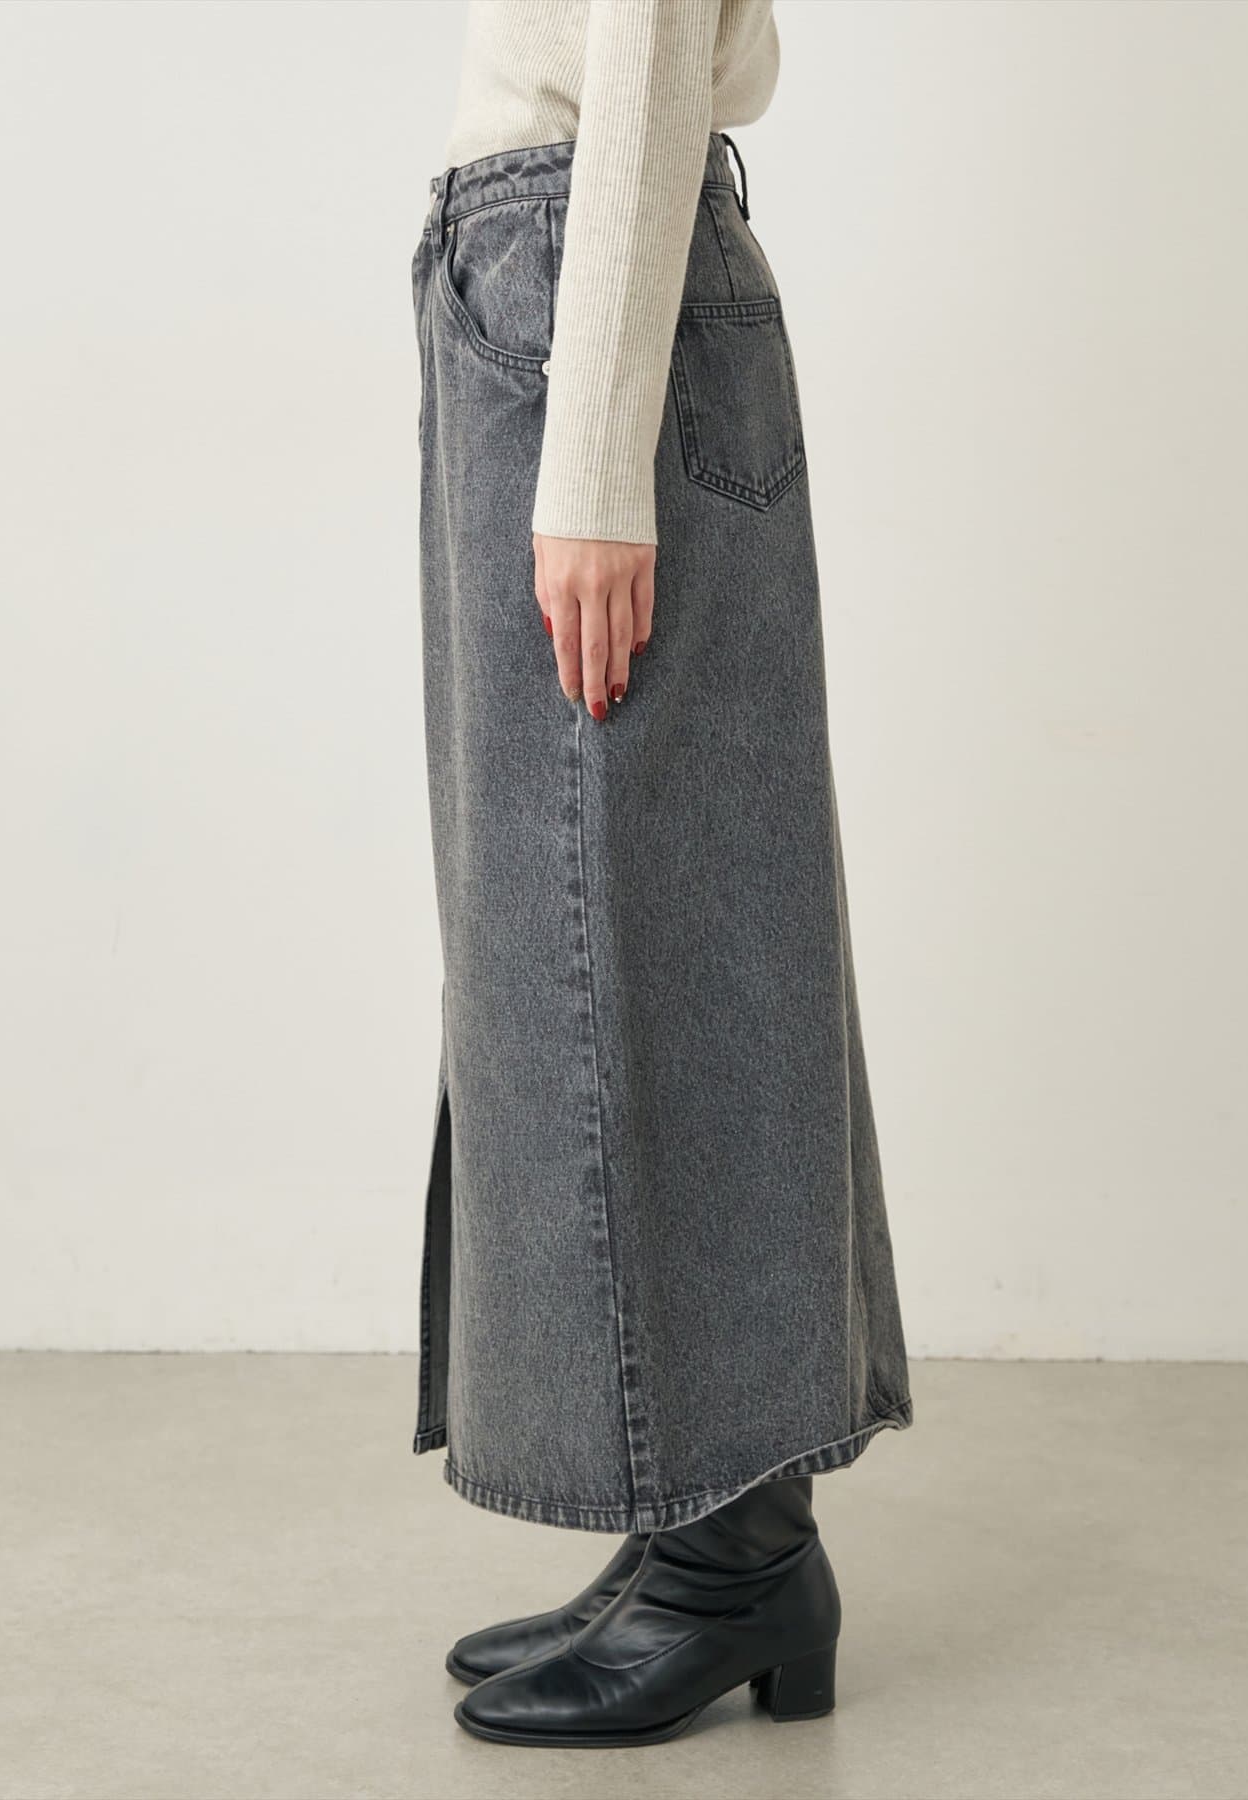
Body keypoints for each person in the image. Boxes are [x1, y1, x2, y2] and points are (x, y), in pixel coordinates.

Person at [409, 0, 913, 1748]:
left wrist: (596, 460)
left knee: (649, 934)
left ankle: (734, 1559)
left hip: (587, 283)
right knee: (614, 926)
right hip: (550, 279)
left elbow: (637, 57)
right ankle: (697, 1517)